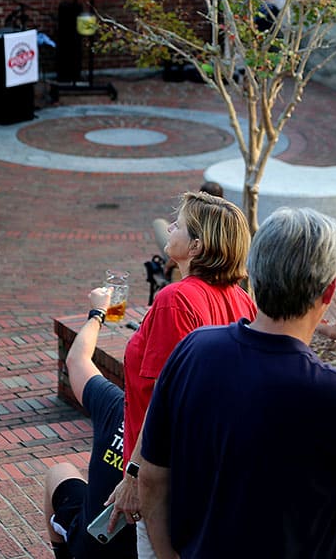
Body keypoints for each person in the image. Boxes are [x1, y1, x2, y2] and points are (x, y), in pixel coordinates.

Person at [137, 208, 336, 557]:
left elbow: (152, 477)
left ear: (256, 277)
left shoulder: (195, 349)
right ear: (328, 293)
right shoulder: (332, 392)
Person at [108, 191, 256, 557]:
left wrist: (133, 475)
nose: (169, 226)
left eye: (178, 223)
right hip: (217, 471)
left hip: (169, 476)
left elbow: (165, 400)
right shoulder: (243, 299)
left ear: (196, 245)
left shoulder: (175, 299)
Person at [43, 287, 135, 559]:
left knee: (58, 471)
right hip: (153, 548)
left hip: (92, 544)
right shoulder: (194, 431)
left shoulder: (116, 404)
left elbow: (77, 359)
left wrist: (97, 314)